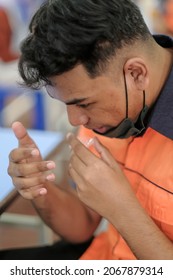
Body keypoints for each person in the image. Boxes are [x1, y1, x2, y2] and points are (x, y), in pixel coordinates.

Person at [1, 0, 173, 260]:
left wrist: (121, 210)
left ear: (136, 73)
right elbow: (82, 226)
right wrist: (39, 189)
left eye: (83, 103)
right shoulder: (109, 114)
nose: (75, 120)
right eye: (67, 105)